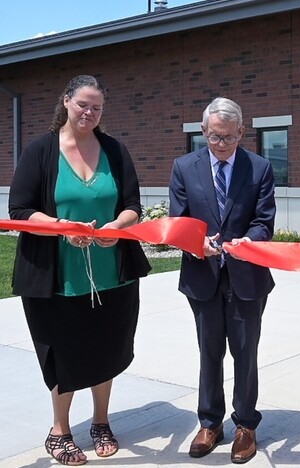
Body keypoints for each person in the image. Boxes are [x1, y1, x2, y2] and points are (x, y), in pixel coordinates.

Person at [8, 74, 151, 465]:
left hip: (112, 273)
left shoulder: (115, 151)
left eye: (97, 107)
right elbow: (18, 209)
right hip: (56, 275)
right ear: (67, 102)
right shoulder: (40, 152)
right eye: (83, 104)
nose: (90, 112)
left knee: (106, 347)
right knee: (63, 352)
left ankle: (101, 423)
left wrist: (116, 227)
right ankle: (60, 431)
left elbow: (133, 204)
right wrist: (62, 230)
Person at [169, 97, 276, 464]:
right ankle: (210, 423)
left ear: (242, 132)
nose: (222, 145)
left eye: (229, 138)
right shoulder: (184, 167)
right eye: (215, 137)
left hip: (247, 277)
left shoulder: (260, 167)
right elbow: (178, 222)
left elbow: (264, 221)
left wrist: (251, 242)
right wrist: (196, 244)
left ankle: (246, 425)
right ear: (204, 132)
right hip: (203, 276)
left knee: (245, 354)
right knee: (209, 352)